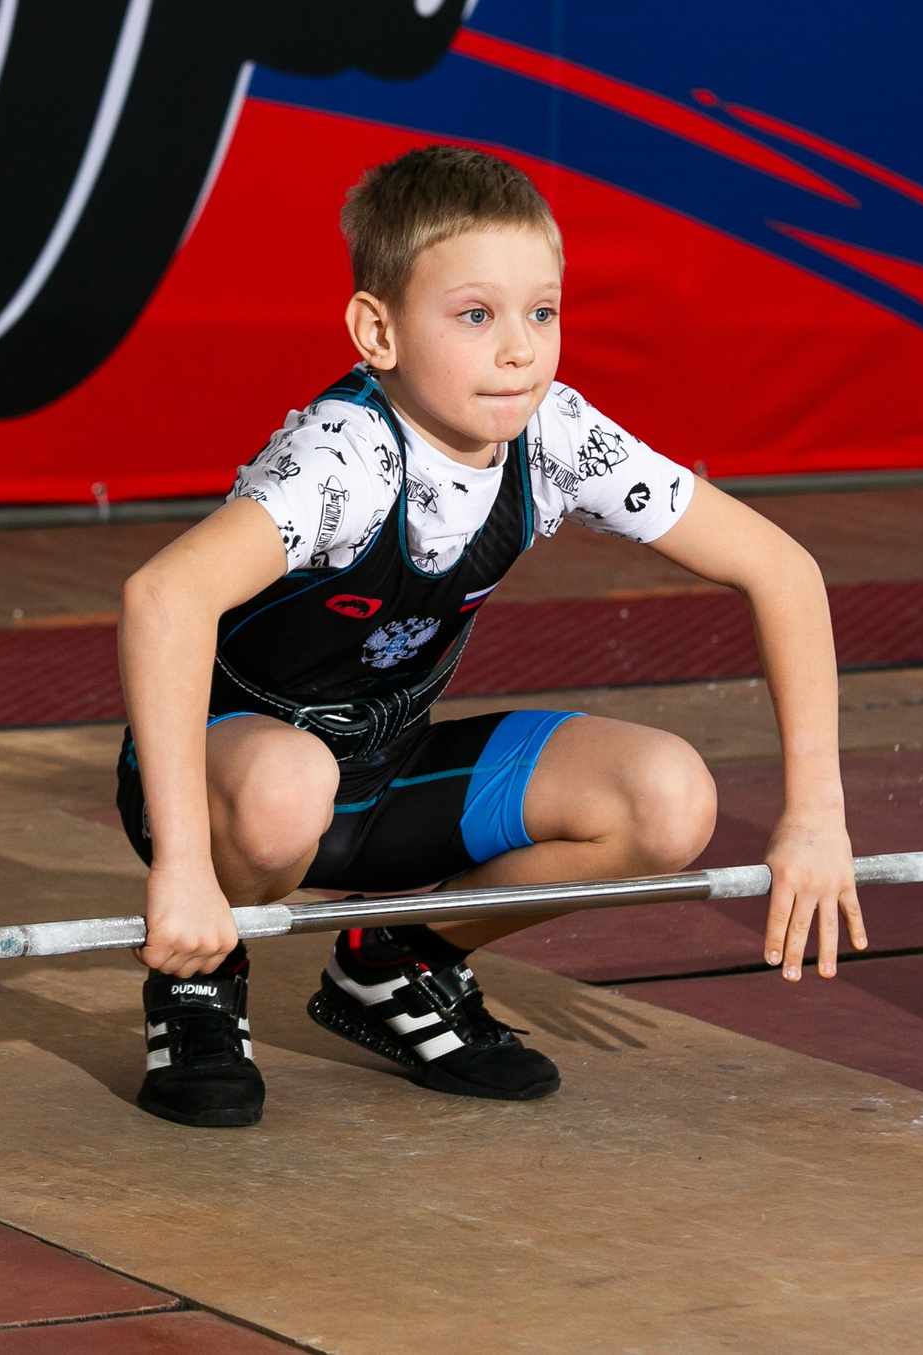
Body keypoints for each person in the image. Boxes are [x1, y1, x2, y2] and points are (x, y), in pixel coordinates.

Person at [113, 144, 865, 1127]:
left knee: (668, 799)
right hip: (225, 795)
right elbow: (161, 600)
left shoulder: (554, 434)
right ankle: (203, 977)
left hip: (382, 778)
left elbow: (781, 569)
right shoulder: (340, 460)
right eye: (475, 315)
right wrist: (177, 869)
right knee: (284, 784)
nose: (520, 350)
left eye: (541, 313)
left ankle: (395, 963)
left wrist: (814, 813)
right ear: (375, 330)